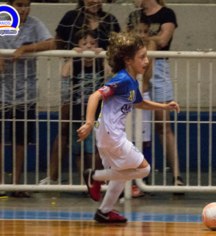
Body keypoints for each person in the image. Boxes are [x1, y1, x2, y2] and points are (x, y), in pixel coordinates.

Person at [78, 32, 180, 223]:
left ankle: (104, 211)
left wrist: (164, 106)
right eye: (141, 57)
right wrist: (88, 123)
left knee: (122, 175)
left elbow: (140, 103)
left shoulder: (131, 81)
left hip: (107, 134)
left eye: (146, 56)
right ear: (128, 60)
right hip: (112, 134)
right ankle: (94, 176)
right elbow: (95, 96)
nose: (147, 61)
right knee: (144, 169)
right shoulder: (122, 79)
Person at [0, 0, 53, 197]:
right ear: (10, 5)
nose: (23, 9)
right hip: (1, 90)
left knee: (21, 138)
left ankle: (16, 183)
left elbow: (51, 42)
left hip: (27, 92)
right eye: (18, 4)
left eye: (26, 4)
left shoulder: (35, 24)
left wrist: (26, 48)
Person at [40, 0, 120, 185]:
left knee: (99, 138)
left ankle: (99, 178)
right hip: (74, 85)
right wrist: (73, 54)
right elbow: (58, 43)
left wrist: (103, 54)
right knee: (66, 128)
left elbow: (116, 53)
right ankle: (53, 176)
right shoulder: (71, 17)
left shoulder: (110, 20)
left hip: (98, 89)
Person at [130, 0, 184, 188]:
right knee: (135, 125)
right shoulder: (134, 15)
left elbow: (163, 41)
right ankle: (139, 177)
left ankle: (177, 176)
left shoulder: (167, 14)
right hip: (137, 66)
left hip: (159, 66)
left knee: (163, 125)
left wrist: (147, 41)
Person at [59, 29, 104, 181]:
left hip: (96, 115)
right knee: (79, 151)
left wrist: (103, 55)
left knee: (93, 150)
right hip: (77, 114)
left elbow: (112, 70)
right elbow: (64, 73)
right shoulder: (76, 63)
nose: (89, 47)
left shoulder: (100, 62)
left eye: (93, 43)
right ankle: (84, 183)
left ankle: (95, 178)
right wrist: (72, 56)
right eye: (84, 44)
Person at [127, 13, 157, 198]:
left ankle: (141, 180)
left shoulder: (149, 49)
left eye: (145, 31)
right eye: (138, 31)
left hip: (142, 96)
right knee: (125, 141)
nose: (143, 35)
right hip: (125, 99)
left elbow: (147, 77)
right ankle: (126, 182)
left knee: (144, 140)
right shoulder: (124, 50)